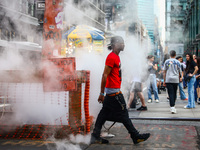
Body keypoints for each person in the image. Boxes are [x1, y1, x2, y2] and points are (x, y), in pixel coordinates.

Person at [90, 36, 150, 145]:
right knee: (123, 114)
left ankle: (95, 135)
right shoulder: (112, 57)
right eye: (122, 43)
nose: (124, 45)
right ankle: (135, 136)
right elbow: (104, 75)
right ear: (115, 44)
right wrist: (101, 93)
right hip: (113, 93)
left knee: (103, 114)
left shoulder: (116, 57)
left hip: (113, 92)